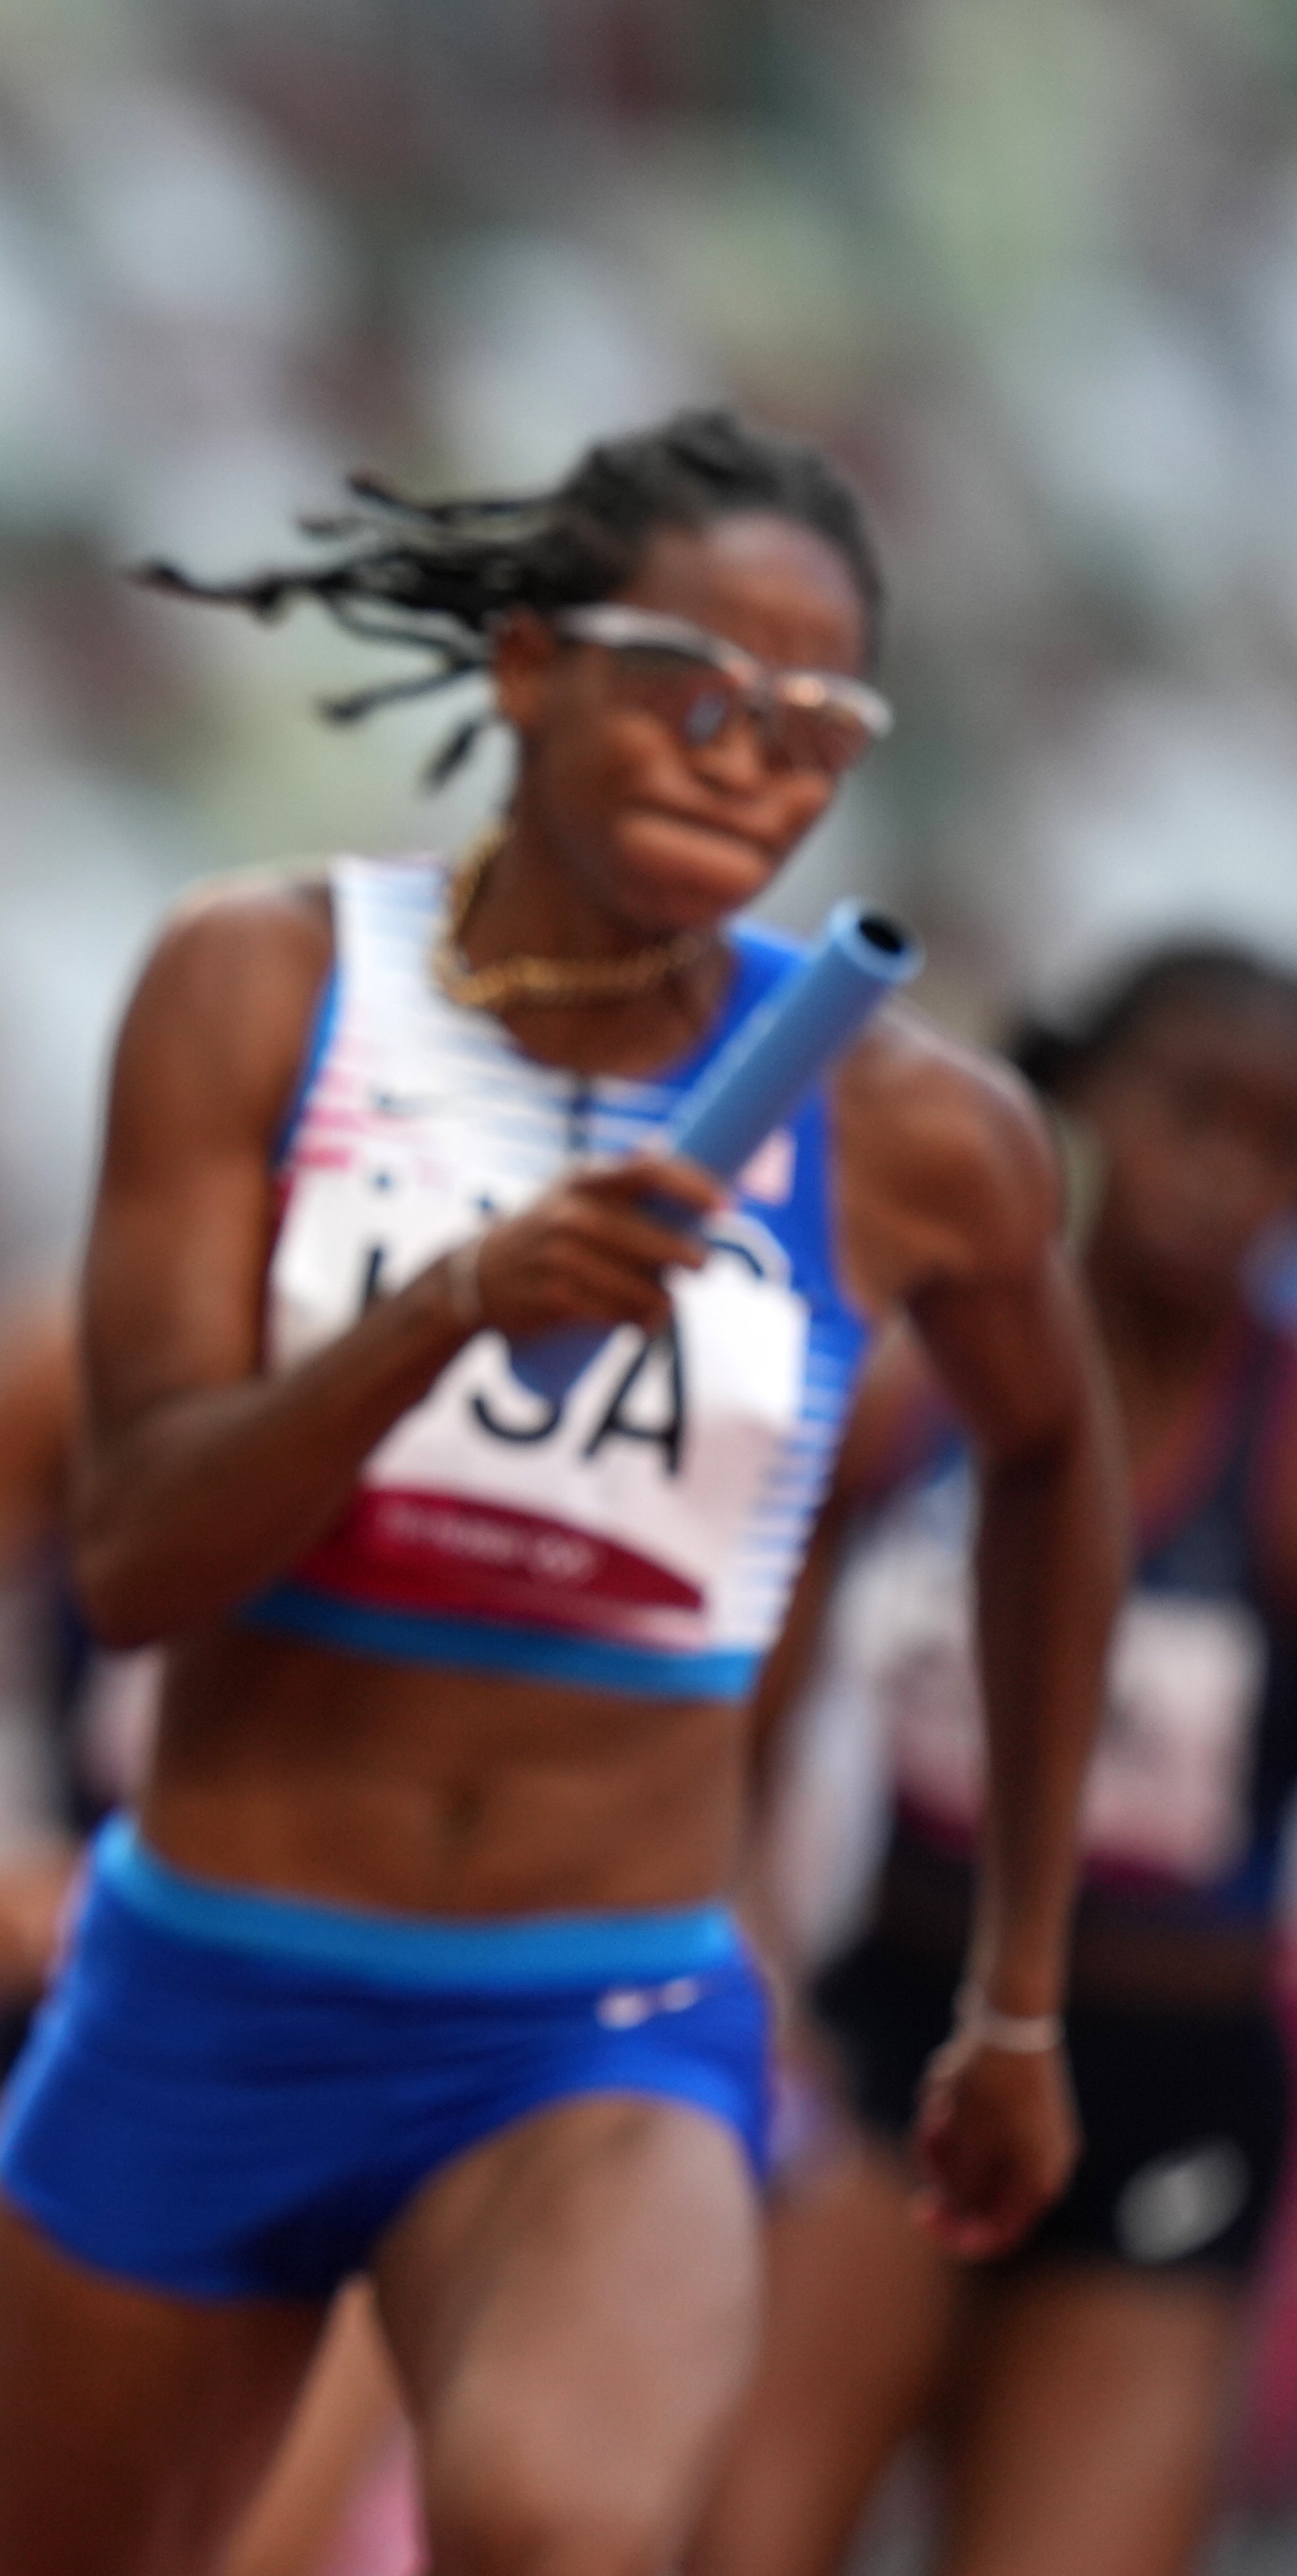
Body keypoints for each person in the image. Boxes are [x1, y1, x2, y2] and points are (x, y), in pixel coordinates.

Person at [0, 408, 1122, 2576]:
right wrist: (446, 1309)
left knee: (559, 2529)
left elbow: (1059, 1458)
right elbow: (136, 1565)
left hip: (595, 2012)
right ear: (522, 664)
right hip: (208, 1974)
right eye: (693, 685)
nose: (750, 756)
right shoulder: (264, 984)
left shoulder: (911, 1129)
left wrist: (1021, 1983)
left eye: (815, 719)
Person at [695, 942, 1297, 2576]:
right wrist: (749, 1952)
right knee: (737, 2537)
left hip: (1161, 2080)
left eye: (1274, 1146)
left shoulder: (1281, 1444)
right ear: (1069, 1101)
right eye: (1185, 1113)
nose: (1219, 1176)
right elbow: (733, 1702)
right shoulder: (903, 1394)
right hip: (896, 2026)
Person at [0, 1291, 408, 2576]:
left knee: (260, 2546)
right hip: (68, 2032)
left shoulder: (491, 1355)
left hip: (358, 2053)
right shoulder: (82, 1358)